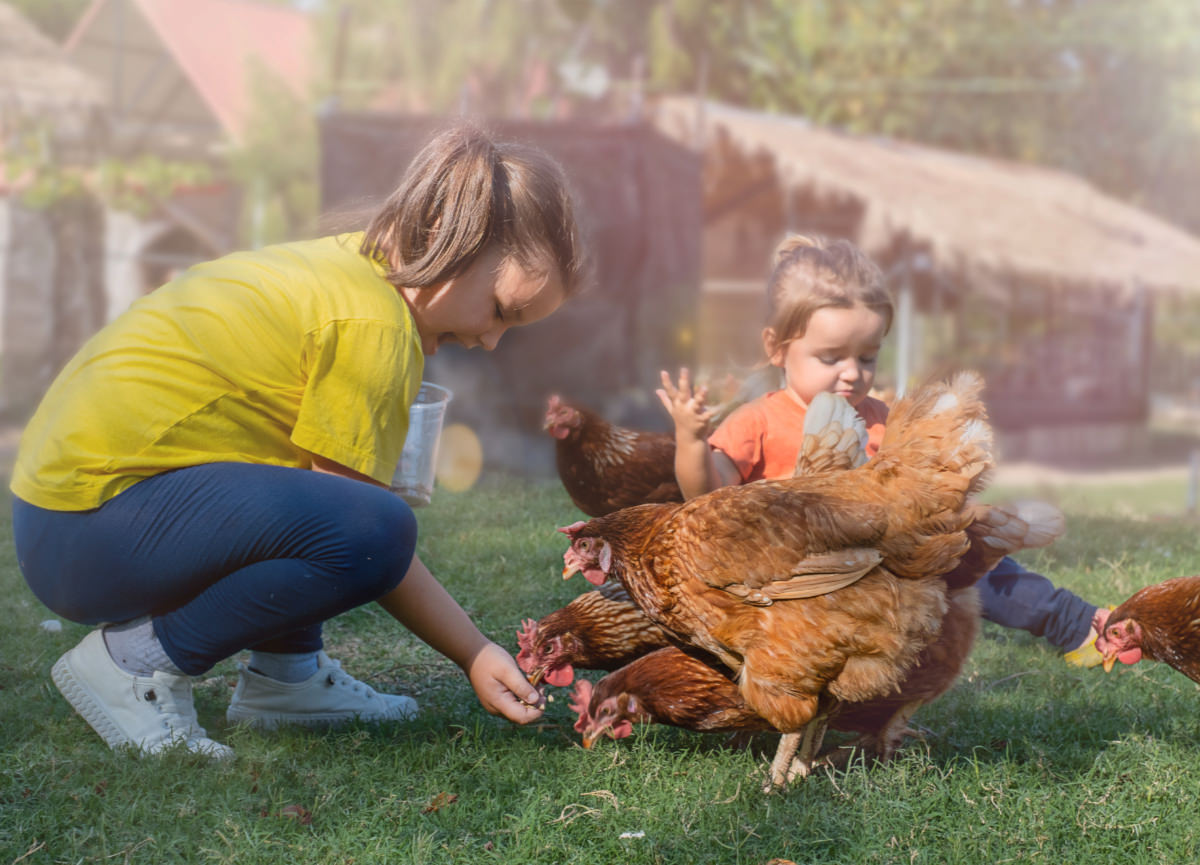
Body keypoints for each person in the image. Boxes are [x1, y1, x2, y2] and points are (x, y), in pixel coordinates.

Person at [11, 124, 589, 758]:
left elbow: (302, 496)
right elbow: (364, 538)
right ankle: (132, 664)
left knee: (319, 499)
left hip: (63, 521)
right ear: (451, 240)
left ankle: (288, 679)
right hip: (89, 536)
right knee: (374, 528)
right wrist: (475, 652)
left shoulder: (350, 266)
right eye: (502, 311)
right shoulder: (375, 326)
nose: (491, 341)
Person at [656, 234, 1104, 660]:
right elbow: (705, 498)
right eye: (831, 357)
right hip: (803, 581)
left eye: (867, 357)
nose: (852, 373)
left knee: (976, 563)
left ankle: (1076, 623)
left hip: (886, 567)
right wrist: (692, 440)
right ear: (777, 347)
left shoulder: (884, 420)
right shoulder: (757, 420)